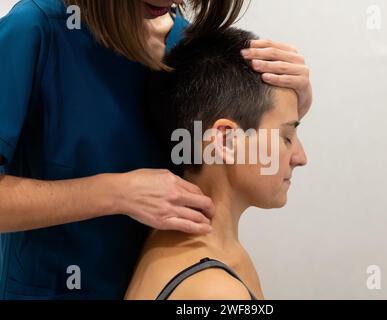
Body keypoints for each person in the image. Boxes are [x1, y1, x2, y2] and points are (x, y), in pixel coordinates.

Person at [0, 0, 312, 299]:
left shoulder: (184, 44)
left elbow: (215, 144)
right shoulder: (37, 30)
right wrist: (114, 193)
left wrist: (290, 101)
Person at [125, 27, 311, 300]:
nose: (301, 157)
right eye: (286, 136)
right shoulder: (215, 290)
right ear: (226, 142)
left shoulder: (176, 244)